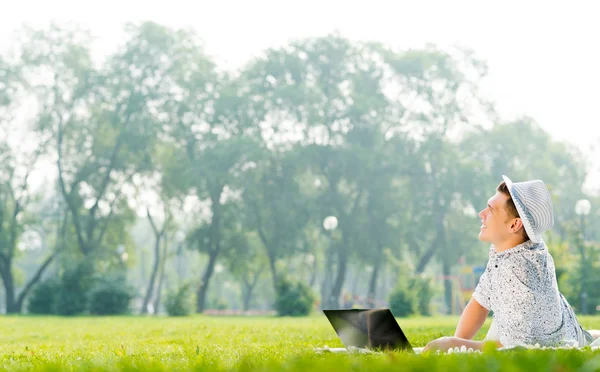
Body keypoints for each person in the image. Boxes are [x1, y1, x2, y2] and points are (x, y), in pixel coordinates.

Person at [423, 175, 598, 352]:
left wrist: (451, 344)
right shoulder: (509, 250)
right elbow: (480, 302)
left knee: (583, 340)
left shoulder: (520, 270)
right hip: (560, 326)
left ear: (515, 225)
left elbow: (513, 348)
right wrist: (457, 343)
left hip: (557, 338)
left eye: (490, 211)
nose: (481, 214)